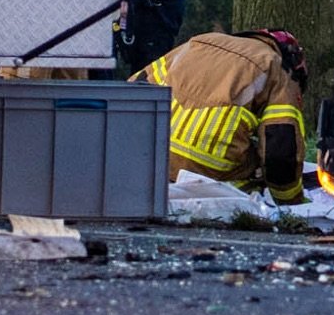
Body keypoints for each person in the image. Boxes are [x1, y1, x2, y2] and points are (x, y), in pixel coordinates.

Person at [132, 29, 310, 204]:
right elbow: (280, 147)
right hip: (208, 167)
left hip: (151, 154)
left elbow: (137, 85)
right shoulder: (278, 67)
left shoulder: (199, 41)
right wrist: (290, 202)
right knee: (256, 170)